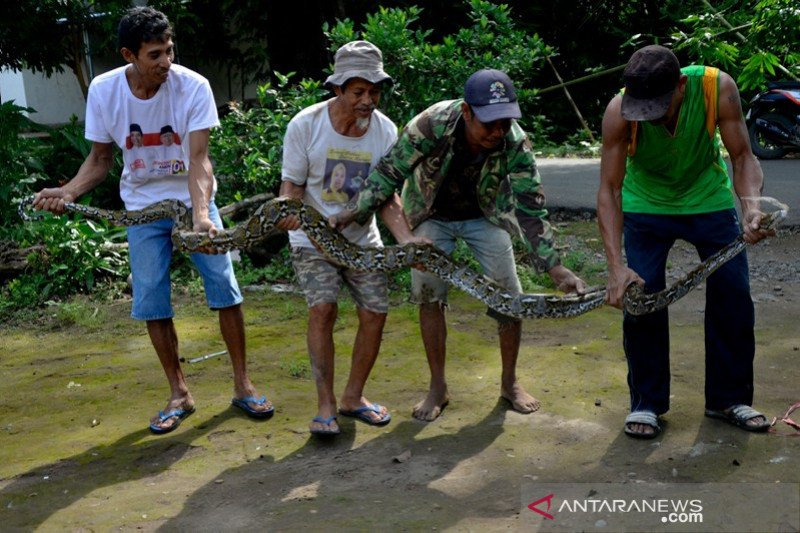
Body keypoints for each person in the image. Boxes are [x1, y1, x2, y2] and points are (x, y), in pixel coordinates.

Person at [33, 6, 274, 434]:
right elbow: (101, 159)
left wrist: (202, 216)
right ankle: (179, 392)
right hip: (141, 208)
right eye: (155, 54)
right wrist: (67, 192)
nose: (166, 62)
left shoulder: (192, 86)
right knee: (151, 300)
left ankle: (242, 384)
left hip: (191, 200)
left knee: (225, 288)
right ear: (130, 54)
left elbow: (198, 159)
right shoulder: (105, 92)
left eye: (169, 50)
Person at [332, 68, 587, 421]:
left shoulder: (513, 140)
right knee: (429, 294)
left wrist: (556, 268)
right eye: (489, 124)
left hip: (487, 214)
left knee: (509, 297)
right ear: (467, 112)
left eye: (504, 122)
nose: (498, 132)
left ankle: (509, 382)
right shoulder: (431, 124)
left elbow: (531, 206)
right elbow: (389, 171)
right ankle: (438, 385)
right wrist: (351, 211)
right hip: (431, 213)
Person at [597, 45, 774, 439]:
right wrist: (614, 266)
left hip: (706, 198)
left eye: (659, 105)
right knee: (641, 298)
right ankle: (646, 402)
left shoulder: (716, 87)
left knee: (733, 292)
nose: (651, 116)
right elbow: (609, 189)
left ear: (680, 85)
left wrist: (751, 208)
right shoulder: (618, 110)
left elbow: (742, 156)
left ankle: (728, 399)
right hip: (646, 202)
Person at [276, 40, 420, 436]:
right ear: (338, 89)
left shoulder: (386, 131)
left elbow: (388, 196)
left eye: (374, 92)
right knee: (322, 309)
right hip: (313, 239)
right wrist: (287, 211)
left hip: (361, 238)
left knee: (375, 313)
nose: (367, 101)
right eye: (358, 91)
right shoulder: (306, 125)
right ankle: (325, 406)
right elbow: (291, 185)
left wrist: (406, 239)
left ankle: (353, 397)